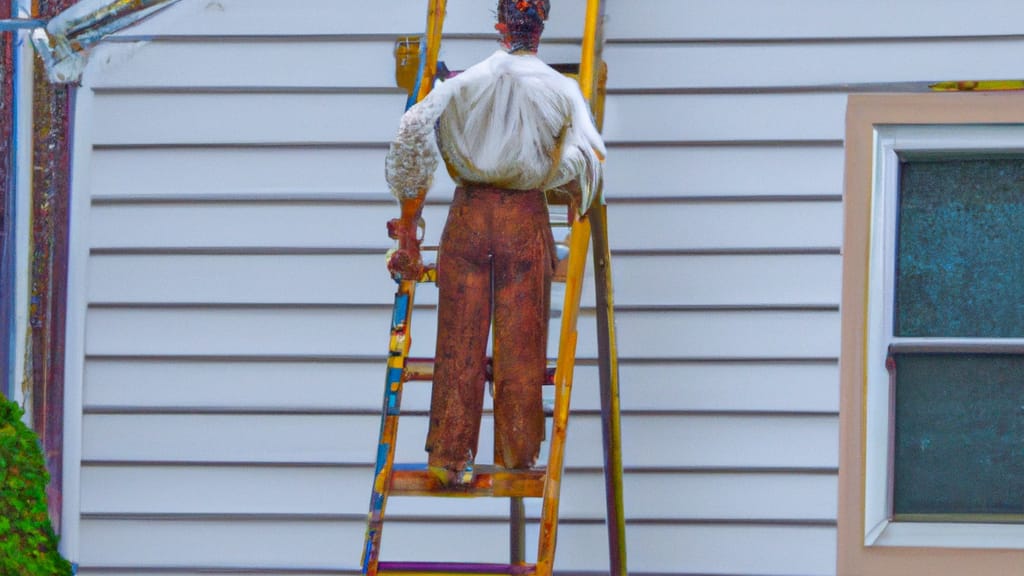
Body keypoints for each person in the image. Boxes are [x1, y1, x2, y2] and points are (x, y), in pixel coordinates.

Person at [385, 0, 605, 485]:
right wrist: (553, 173)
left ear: (500, 26)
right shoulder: (561, 88)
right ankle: (518, 454)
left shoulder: (461, 84)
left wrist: (409, 223)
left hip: (467, 217)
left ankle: (448, 452)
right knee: (522, 344)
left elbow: (412, 129)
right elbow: (590, 162)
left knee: (458, 342)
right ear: (540, 29)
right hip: (523, 219)